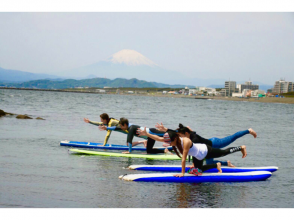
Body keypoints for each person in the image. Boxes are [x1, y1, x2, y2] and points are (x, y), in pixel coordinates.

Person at [137, 128, 247, 177]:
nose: (169, 144)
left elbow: (184, 159)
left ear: (175, 139)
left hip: (205, 150)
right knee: (197, 171)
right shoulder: (175, 140)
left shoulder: (185, 141)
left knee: (223, 152)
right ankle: (216, 165)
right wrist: (146, 134)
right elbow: (158, 138)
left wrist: (182, 173)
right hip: (197, 156)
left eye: (170, 142)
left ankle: (240, 147)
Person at [155, 123, 256, 167]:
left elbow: (195, 152)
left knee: (232, 138)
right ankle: (227, 163)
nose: (179, 137)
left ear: (186, 134)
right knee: (209, 164)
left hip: (214, 143)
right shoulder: (187, 136)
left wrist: (194, 164)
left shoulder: (192, 138)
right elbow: (176, 135)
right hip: (207, 150)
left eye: (180, 135)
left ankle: (248, 131)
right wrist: (166, 130)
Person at [98, 117, 168, 154]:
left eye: (121, 126)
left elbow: (130, 140)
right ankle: (165, 151)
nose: (121, 128)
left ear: (125, 125)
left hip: (153, 132)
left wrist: (129, 151)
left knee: (168, 135)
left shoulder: (131, 128)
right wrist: (107, 128)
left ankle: (176, 140)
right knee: (149, 151)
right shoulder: (127, 127)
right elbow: (116, 128)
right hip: (150, 138)